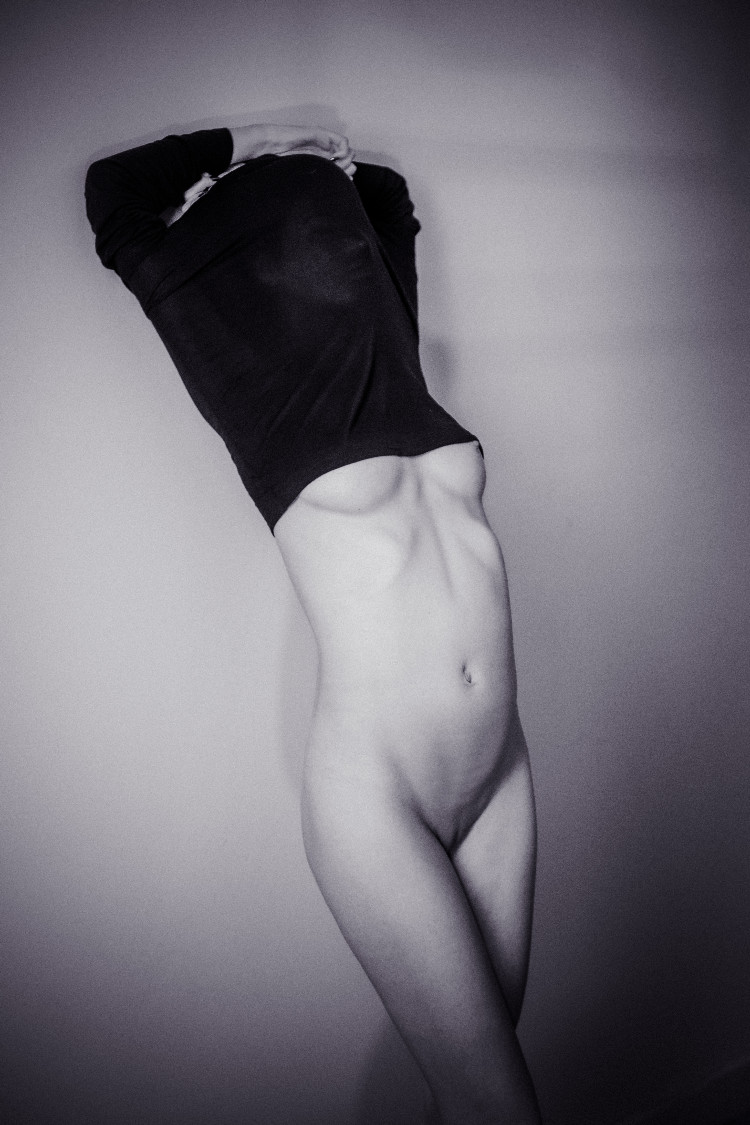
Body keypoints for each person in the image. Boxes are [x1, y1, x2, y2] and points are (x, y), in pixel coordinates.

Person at [85, 121, 542, 1124]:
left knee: (481, 1098)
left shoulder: (397, 364)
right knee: (501, 1109)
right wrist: (242, 146)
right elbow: (115, 199)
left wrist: (327, 156)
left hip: (500, 769)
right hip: (379, 801)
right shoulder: (252, 388)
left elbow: (389, 205)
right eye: (303, 218)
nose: (334, 247)